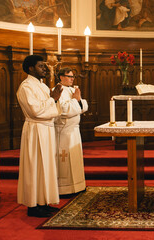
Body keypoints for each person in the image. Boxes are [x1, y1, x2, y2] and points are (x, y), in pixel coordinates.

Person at [16, 55, 63, 217]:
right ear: (30, 68)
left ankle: (43, 201)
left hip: (46, 129)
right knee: (35, 167)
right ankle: (33, 206)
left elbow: (52, 108)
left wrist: (54, 99)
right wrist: (53, 99)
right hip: (35, 130)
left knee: (46, 167)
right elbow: (35, 111)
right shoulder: (26, 87)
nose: (45, 69)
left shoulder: (42, 86)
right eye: (41, 66)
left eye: (45, 66)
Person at [54, 67, 88, 196]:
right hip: (64, 131)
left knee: (75, 159)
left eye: (73, 76)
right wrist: (76, 100)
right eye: (69, 76)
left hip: (74, 130)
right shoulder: (57, 90)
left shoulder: (73, 89)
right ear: (61, 77)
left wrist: (78, 100)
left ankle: (77, 186)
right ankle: (65, 188)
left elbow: (84, 107)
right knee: (65, 161)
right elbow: (63, 110)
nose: (72, 79)